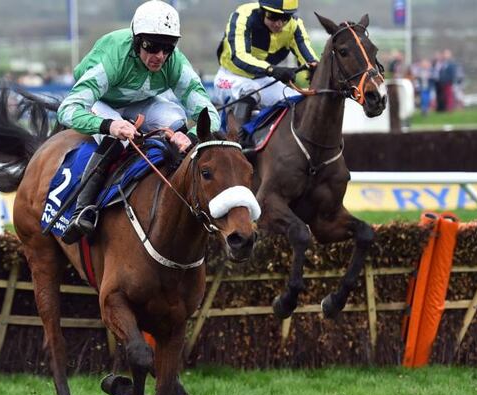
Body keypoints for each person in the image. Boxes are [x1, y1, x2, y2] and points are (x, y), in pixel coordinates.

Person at [57, 0, 221, 244]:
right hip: (101, 101)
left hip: (142, 101)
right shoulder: (113, 58)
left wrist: (192, 136)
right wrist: (110, 125)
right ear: (137, 41)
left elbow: (210, 114)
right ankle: (84, 209)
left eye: (167, 48)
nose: (159, 56)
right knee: (118, 140)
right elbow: (67, 110)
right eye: (152, 46)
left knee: (177, 123)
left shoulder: (175, 62)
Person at [213, 0, 318, 129]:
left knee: (298, 101)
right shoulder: (243, 16)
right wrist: (271, 70)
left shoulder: (294, 25)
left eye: (285, 17)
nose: (279, 24)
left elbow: (310, 59)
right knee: (249, 93)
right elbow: (239, 57)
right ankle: (238, 143)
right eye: (273, 16)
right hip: (231, 76)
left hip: (263, 79)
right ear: (262, 10)